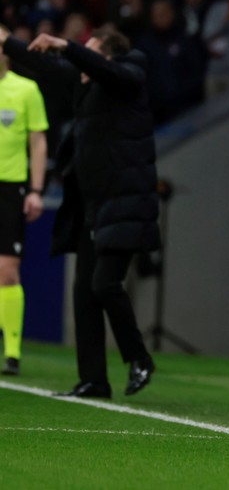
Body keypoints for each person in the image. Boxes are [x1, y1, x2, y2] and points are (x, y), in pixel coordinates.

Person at [1, 25, 160, 398]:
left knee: (104, 284)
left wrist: (66, 45)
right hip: (94, 207)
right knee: (84, 292)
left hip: (126, 203)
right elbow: (50, 67)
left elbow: (108, 71)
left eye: (91, 51)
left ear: (107, 55)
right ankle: (93, 380)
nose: (82, 64)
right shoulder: (86, 86)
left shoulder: (130, 73)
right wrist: (8, 43)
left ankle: (139, 357)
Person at [0, 38, 48, 377]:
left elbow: (38, 141)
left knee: (7, 270)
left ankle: (12, 352)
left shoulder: (27, 89)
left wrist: (36, 189)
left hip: (10, 187)